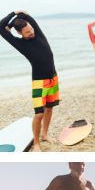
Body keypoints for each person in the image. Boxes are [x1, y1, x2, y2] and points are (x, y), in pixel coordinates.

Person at [2, 11, 60, 151]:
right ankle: (37, 143)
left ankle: (45, 135)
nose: (31, 32)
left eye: (31, 29)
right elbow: (0, 27)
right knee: (39, 113)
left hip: (53, 78)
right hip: (39, 82)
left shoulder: (38, 33)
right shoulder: (18, 43)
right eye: (27, 32)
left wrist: (19, 15)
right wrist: (12, 14)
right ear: (20, 33)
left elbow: (26, 16)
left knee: (49, 108)